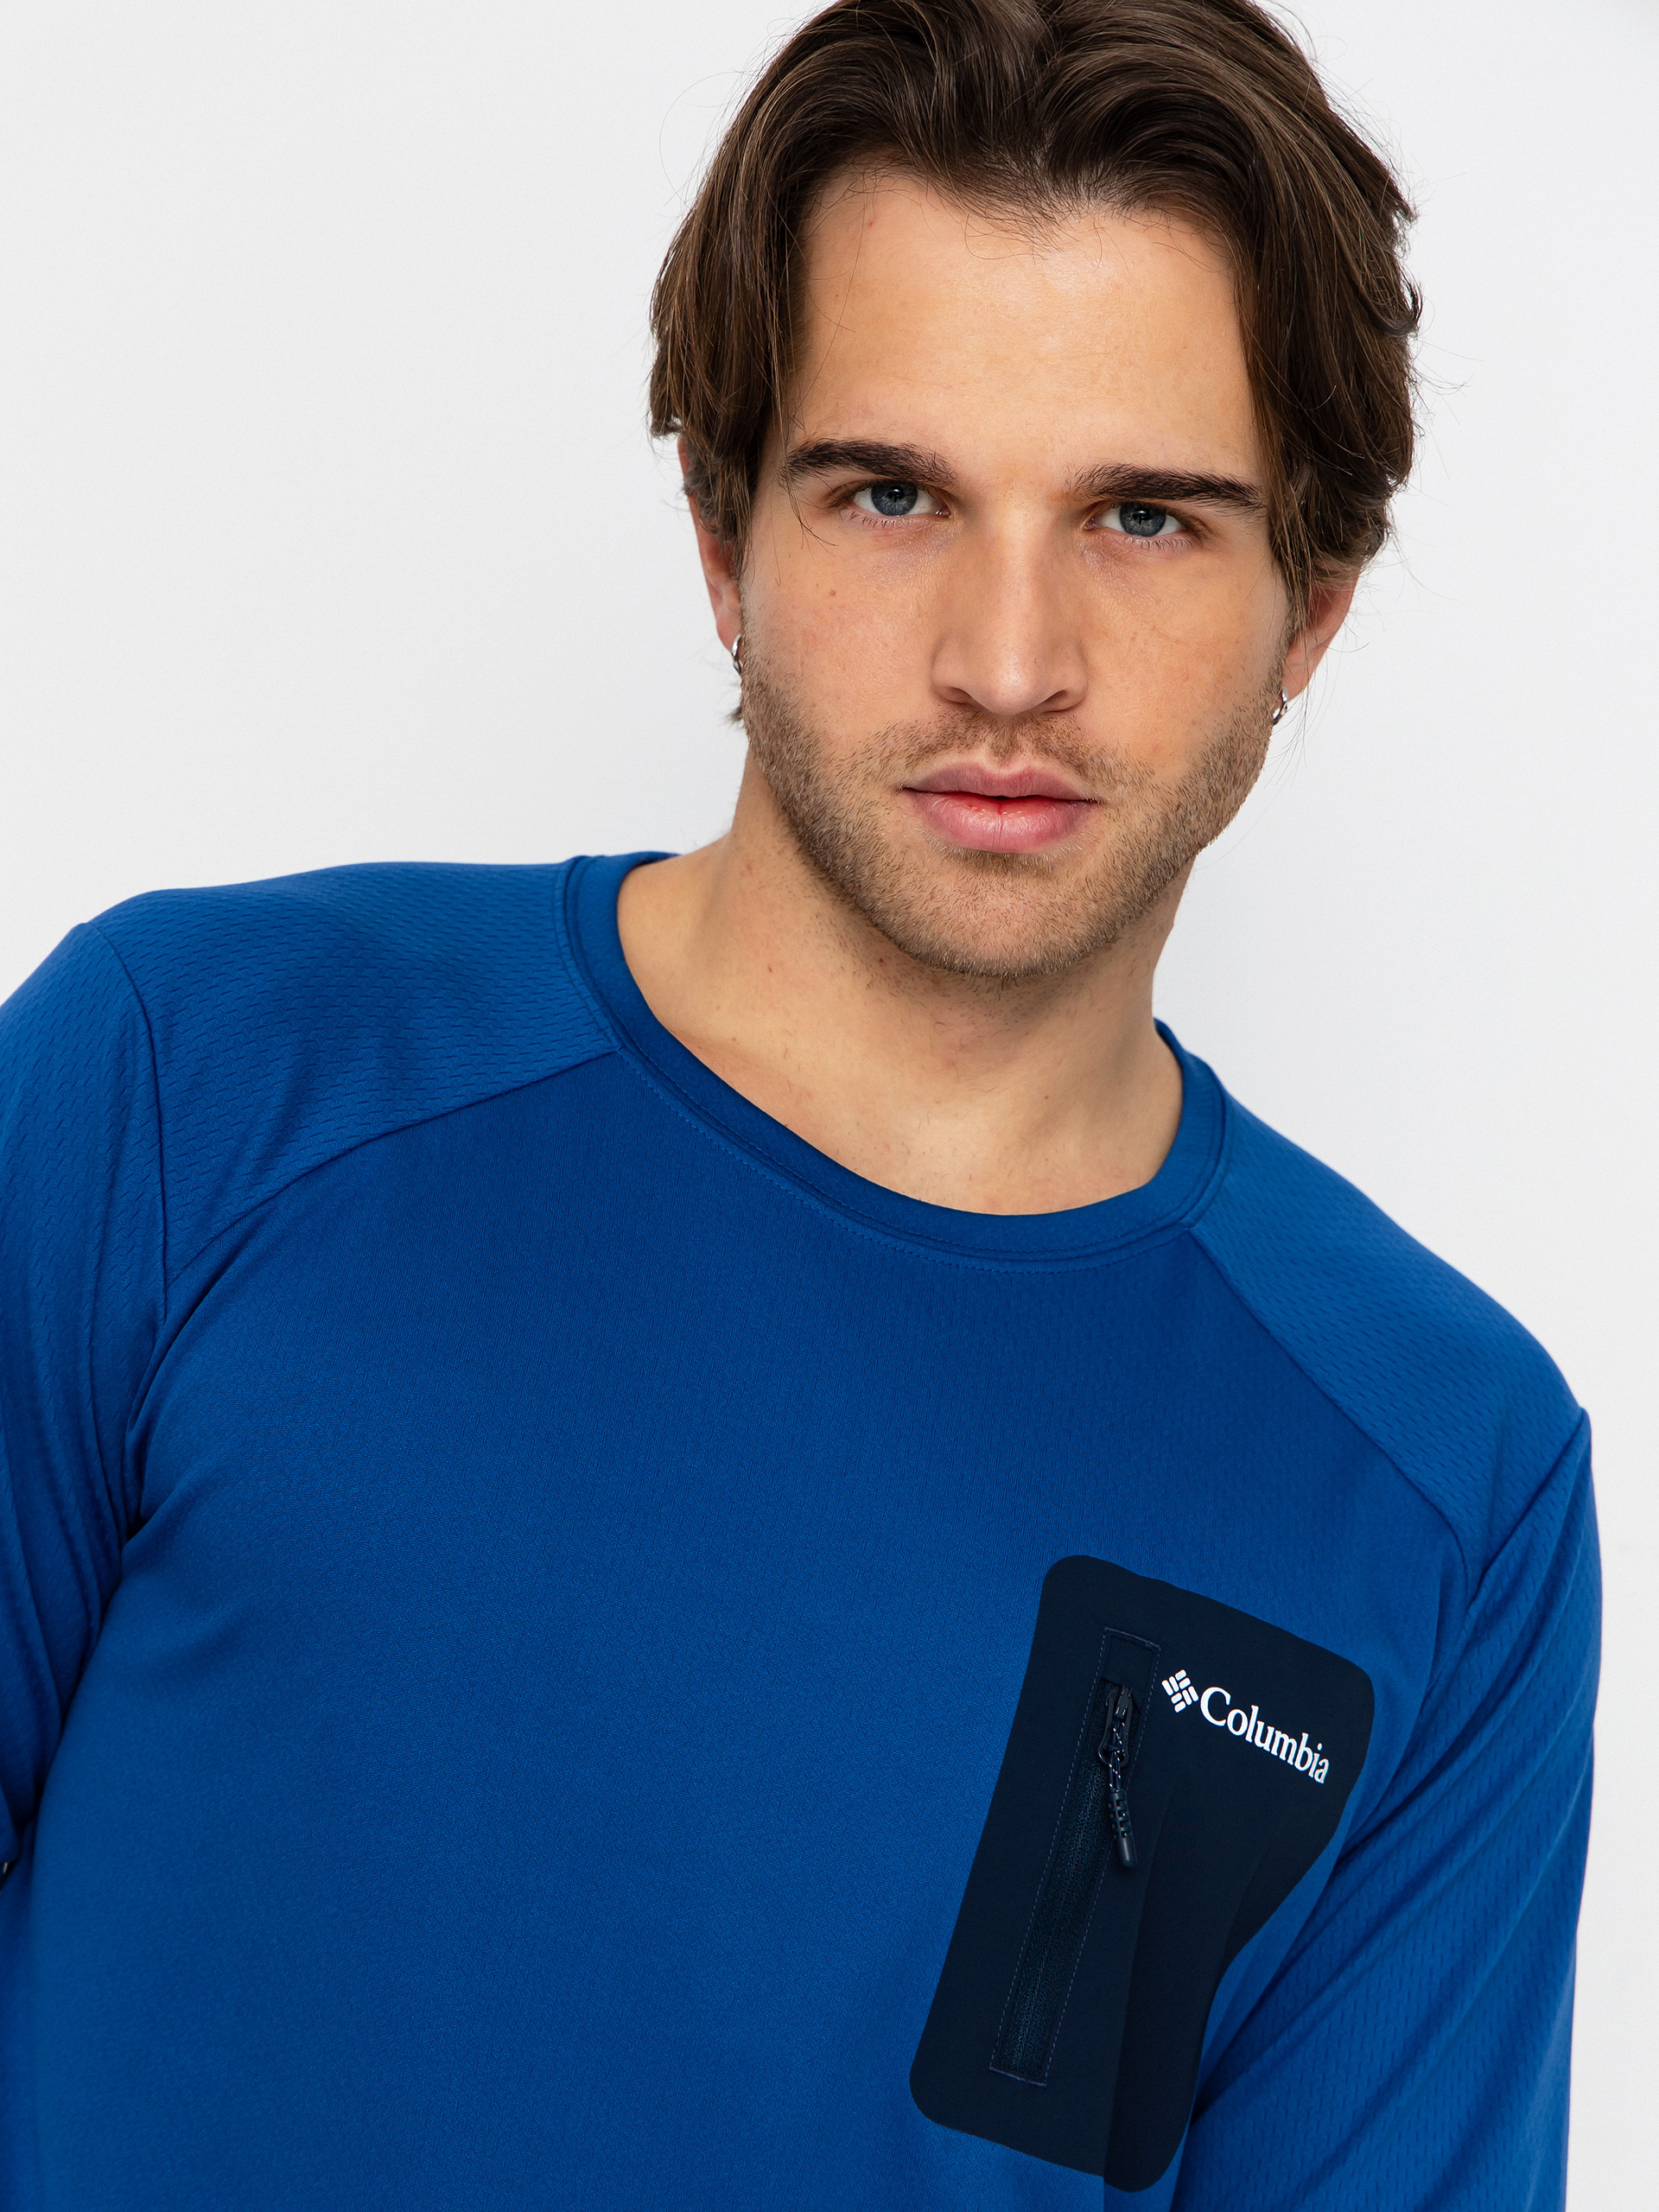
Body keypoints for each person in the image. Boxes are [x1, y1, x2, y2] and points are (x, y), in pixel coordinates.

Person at [0, 1, 1597, 2205]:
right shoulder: (203, 1082)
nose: (1009, 660)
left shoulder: (1443, 1478)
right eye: (892, 493)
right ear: (721, 537)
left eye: (1144, 515)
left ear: (1309, 605)